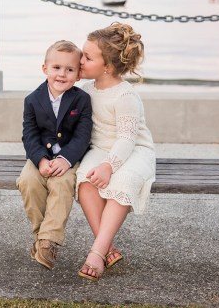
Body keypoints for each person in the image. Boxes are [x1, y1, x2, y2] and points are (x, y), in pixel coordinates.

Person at [75, 22, 156, 281]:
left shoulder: (125, 96)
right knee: (85, 181)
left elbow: (127, 138)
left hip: (134, 150)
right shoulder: (85, 91)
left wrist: (109, 166)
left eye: (87, 57)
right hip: (101, 148)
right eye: (82, 54)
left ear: (107, 67)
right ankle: (108, 247)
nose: (80, 60)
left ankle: (97, 252)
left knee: (124, 180)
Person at [17, 40, 93, 270]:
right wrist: (40, 160)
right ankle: (42, 237)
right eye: (56, 68)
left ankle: (47, 242)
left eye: (69, 69)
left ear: (78, 75)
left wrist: (66, 159)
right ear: (45, 69)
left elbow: (82, 136)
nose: (62, 74)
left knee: (62, 184)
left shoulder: (82, 100)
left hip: (69, 158)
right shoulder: (32, 100)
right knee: (28, 181)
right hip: (39, 156)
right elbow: (29, 134)